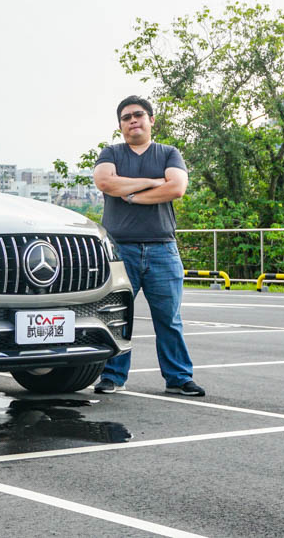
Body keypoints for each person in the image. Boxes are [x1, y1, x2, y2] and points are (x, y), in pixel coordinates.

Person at [92, 96, 205, 397]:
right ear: (120, 125)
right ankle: (112, 376)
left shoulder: (169, 153)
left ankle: (178, 378)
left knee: (169, 319)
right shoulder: (111, 153)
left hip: (162, 249)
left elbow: (177, 187)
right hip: (120, 251)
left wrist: (132, 195)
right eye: (126, 117)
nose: (133, 120)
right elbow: (105, 183)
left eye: (138, 115)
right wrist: (154, 182)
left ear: (151, 119)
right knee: (116, 317)